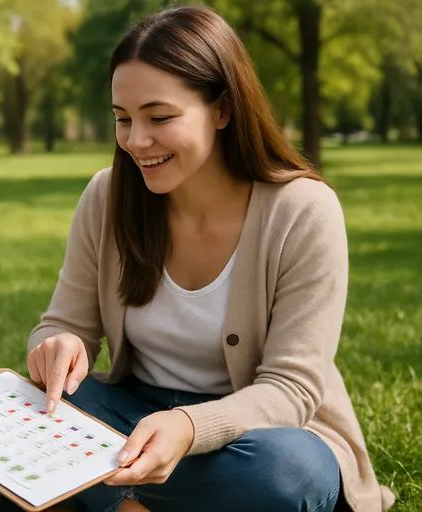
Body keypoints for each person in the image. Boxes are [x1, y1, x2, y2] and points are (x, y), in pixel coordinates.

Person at [27, 5, 394, 512]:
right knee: (26, 410)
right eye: (122, 118)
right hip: (134, 413)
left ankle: (101, 495)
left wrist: (191, 427)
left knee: (286, 474)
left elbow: (292, 388)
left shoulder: (303, 210)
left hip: (258, 434)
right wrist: (56, 345)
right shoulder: (107, 195)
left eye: (159, 117)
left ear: (222, 109)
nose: (136, 140)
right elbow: (64, 325)